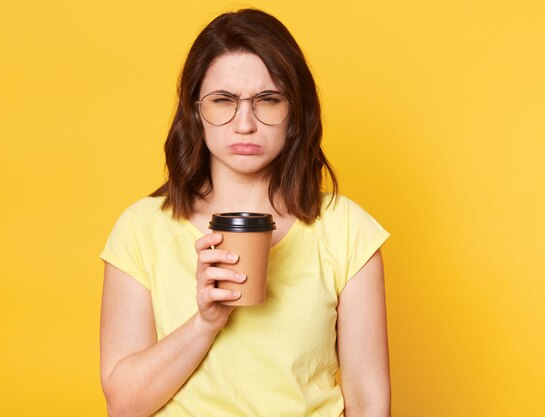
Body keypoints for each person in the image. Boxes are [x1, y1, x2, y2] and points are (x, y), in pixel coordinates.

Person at [99, 8, 391, 417]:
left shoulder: (346, 230)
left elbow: (368, 401)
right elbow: (123, 406)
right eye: (224, 101)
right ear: (196, 111)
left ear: (295, 112)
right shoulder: (141, 228)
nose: (244, 124)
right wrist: (206, 322)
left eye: (267, 100)